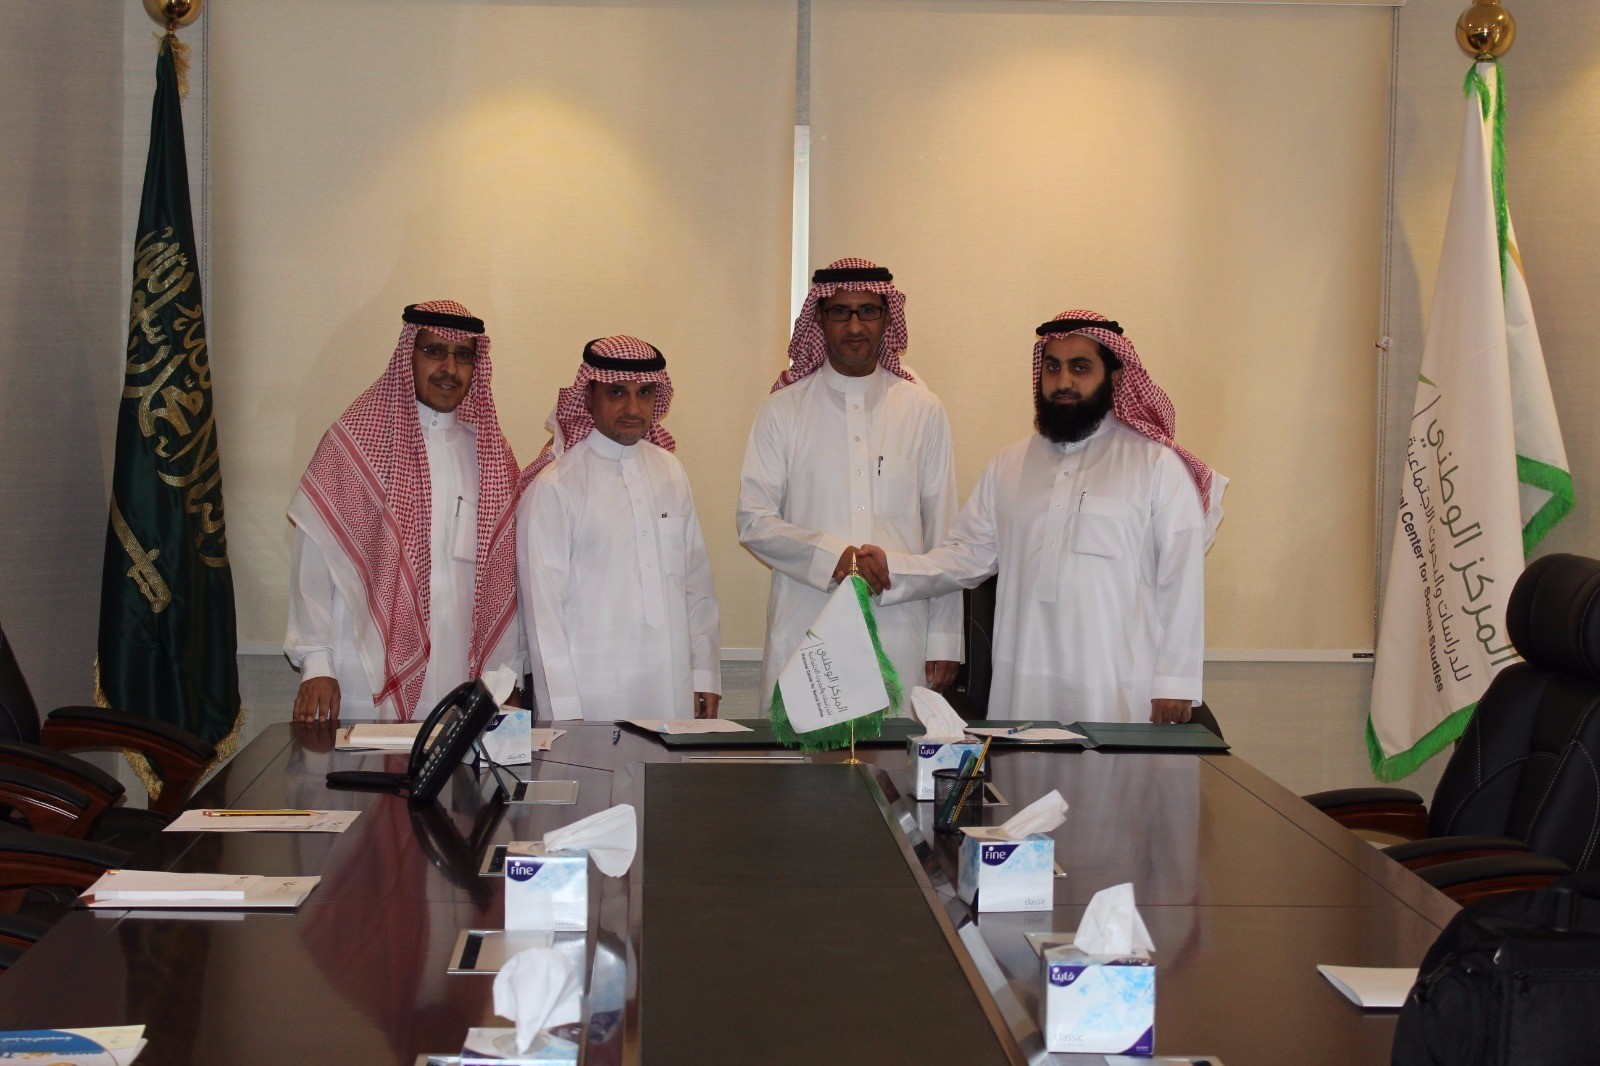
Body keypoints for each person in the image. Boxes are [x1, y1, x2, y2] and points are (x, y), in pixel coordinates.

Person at [854, 310, 1225, 724]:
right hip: (1024, 682)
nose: (1063, 381)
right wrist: (894, 569)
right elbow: (965, 557)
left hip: (1117, 687)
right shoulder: (1009, 466)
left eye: (1080, 367)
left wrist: (1175, 683)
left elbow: (1181, 579)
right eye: (1052, 367)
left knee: (1114, 768)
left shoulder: (1155, 465)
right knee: (1024, 766)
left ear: (1115, 377)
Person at [737, 258, 962, 715]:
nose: (855, 326)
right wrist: (832, 557)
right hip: (806, 626)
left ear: (887, 318)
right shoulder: (782, 411)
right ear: (820, 318)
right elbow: (753, 521)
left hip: (899, 628)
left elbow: (943, 533)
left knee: (894, 756)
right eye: (840, 312)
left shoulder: (923, 411)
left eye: (868, 311)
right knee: (802, 756)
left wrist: (945, 638)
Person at [286, 300, 522, 722]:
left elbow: (504, 583)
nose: (449, 368)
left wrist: (506, 679)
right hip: (364, 674)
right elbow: (313, 566)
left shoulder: (492, 458)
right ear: (407, 354)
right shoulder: (354, 445)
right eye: (434, 351)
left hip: (461, 675)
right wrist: (317, 664)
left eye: (463, 355)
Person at [516, 336, 721, 722]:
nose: (632, 408)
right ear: (588, 395)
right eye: (617, 392)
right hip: (591, 696)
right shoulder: (556, 486)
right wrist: (564, 712)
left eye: (644, 393)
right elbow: (543, 617)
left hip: (671, 685)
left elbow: (697, 585)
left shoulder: (671, 472)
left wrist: (705, 673)